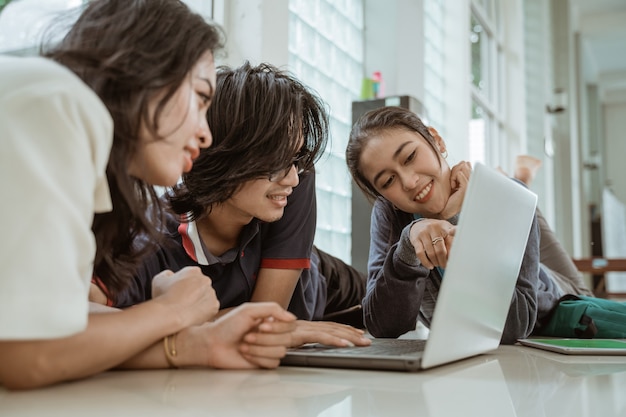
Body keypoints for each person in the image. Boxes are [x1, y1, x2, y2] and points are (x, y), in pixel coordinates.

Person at [0, 0, 297, 390]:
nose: (206, 134)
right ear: (147, 69)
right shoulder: (58, 102)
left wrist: (198, 343)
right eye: (200, 97)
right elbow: (26, 354)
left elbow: (62, 326)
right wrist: (171, 312)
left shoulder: (72, 133)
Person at [93, 62, 370, 347]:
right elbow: (83, 320)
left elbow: (267, 315)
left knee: (380, 301)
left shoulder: (295, 180)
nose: (292, 178)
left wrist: (192, 319)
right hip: (302, 328)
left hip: (327, 283)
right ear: (225, 156)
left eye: (295, 159)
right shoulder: (149, 244)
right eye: (277, 161)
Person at [345, 106, 592, 343]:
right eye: (388, 181)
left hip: (552, 292)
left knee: (585, 296)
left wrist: (455, 218)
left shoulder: (507, 197)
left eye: (410, 157)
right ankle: (516, 176)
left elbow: (515, 325)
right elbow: (381, 325)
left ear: (437, 141)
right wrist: (408, 246)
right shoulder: (390, 214)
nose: (409, 182)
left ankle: (520, 176)